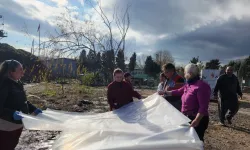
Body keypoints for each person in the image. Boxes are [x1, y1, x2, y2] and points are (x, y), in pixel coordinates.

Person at [159, 63, 211, 141]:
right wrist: (165, 92)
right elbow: (179, 91)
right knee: (186, 140)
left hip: (196, 119)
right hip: (186, 117)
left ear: (189, 74)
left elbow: (203, 107)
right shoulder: (189, 84)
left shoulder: (202, 86)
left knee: (196, 141)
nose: (184, 75)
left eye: (185, 73)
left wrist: (197, 120)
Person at [0, 60, 43, 150]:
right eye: (20, 70)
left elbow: (23, 101)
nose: (23, 73)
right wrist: (12, 113)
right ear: (11, 71)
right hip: (6, 128)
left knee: (11, 146)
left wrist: (33, 109)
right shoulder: (3, 84)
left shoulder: (17, 83)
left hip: (17, 125)